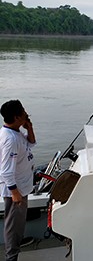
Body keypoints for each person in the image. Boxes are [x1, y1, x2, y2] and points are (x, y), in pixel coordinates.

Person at [0, 100, 36, 261]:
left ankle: (13, 252)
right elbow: (6, 171)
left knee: (17, 225)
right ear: (16, 117)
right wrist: (15, 193)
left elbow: (31, 144)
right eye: (23, 112)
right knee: (13, 227)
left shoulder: (16, 131)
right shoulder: (10, 140)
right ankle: (11, 258)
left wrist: (29, 128)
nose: (26, 113)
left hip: (22, 187)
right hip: (16, 190)